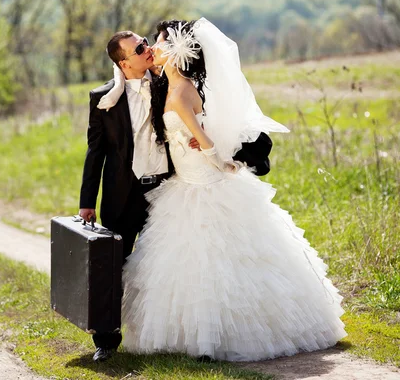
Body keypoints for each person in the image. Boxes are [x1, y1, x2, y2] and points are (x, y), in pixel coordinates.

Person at [117, 18, 347, 361]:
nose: (153, 48)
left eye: (160, 42)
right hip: (187, 183)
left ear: (178, 51)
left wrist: (225, 164)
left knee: (211, 261)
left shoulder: (179, 91)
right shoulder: (175, 85)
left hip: (202, 184)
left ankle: (216, 336)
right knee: (195, 260)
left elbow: (206, 141)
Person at [78, 31, 173, 362]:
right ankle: (106, 340)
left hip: (166, 190)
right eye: (139, 48)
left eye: (146, 42)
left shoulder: (167, 83)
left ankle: (160, 333)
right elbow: (96, 152)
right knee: (113, 266)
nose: (148, 50)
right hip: (122, 193)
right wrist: (87, 202)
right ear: (123, 62)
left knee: (165, 263)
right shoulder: (103, 98)